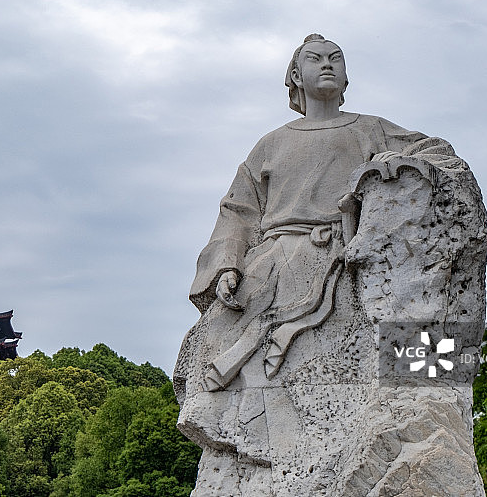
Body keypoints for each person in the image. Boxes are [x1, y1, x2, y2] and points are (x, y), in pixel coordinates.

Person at [183, 33, 466, 392]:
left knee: (408, 334)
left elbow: (436, 150)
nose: (328, 64)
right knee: (215, 339)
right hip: (273, 261)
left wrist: (391, 162)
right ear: (297, 76)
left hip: (346, 254)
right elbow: (238, 210)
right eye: (316, 59)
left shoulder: (371, 128)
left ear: (346, 78)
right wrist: (228, 264)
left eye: (336, 58)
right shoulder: (270, 143)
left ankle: (419, 406)